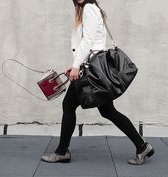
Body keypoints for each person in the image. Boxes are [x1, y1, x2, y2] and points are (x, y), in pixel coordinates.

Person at [41, 0, 155, 165]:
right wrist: (75, 66)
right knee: (107, 111)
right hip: (91, 69)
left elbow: (88, 41)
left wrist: (76, 66)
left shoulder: (89, 8)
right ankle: (142, 146)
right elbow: (90, 43)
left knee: (69, 105)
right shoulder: (90, 9)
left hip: (91, 71)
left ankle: (62, 151)